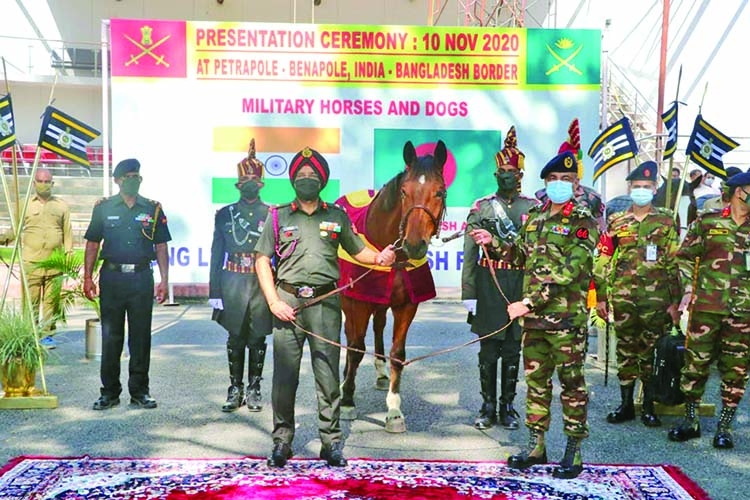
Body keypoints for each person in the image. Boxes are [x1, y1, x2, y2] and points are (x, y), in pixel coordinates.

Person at [255, 147, 396, 468]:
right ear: (293, 179)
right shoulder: (277, 216)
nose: (307, 180)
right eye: (301, 176)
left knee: (328, 376)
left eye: (312, 176)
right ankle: (281, 441)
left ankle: (330, 442)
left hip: (325, 304)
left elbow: (358, 250)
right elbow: (262, 260)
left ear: (322, 181)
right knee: (284, 377)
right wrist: (273, 301)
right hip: (287, 304)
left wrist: (380, 257)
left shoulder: (336, 215)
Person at [505, 150, 601, 480]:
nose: (559, 184)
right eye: (554, 180)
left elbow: (571, 272)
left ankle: (573, 452)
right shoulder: (535, 216)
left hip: (565, 321)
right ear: (546, 183)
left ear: (576, 184)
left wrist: (529, 303)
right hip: (534, 323)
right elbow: (520, 253)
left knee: (572, 386)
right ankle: (536, 446)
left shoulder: (583, 221)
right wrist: (492, 243)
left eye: (567, 180)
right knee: (535, 383)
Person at [461, 126, 538, 431]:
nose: (506, 175)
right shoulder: (481, 207)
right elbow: (469, 251)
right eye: (501, 170)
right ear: (496, 174)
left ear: (520, 174)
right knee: (489, 348)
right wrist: (468, 291)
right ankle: (487, 405)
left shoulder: (534, 208)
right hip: (489, 283)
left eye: (512, 170)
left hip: (520, 282)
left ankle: (508, 405)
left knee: (512, 348)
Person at [595, 161, 681, 428]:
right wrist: (600, 297)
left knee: (652, 352)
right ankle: (625, 404)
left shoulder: (666, 219)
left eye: (646, 187)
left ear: (654, 189)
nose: (641, 190)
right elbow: (603, 259)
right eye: (637, 187)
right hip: (623, 298)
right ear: (629, 189)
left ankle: (648, 405)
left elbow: (675, 262)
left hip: (656, 301)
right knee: (626, 350)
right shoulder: (617, 221)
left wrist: (676, 302)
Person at [667, 169, 750, 449]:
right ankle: (690, 421)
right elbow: (684, 258)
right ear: (741, 191)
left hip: (744, 313)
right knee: (695, 365)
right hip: (706, 307)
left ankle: (724, 427)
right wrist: (688, 289)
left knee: (735, 369)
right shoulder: (708, 221)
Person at [83, 158, 171, 411]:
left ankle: (140, 392)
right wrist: (88, 277)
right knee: (111, 337)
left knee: (140, 337)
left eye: (137, 176)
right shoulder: (104, 207)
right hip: (112, 279)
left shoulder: (152, 208)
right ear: (118, 180)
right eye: (129, 176)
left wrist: (164, 280)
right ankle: (109, 393)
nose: (134, 180)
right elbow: (92, 243)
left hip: (142, 278)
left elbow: (161, 246)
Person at [209, 139, 272, 413]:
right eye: (244, 181)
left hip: (260, 283)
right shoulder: (224, 214)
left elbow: (278, 256)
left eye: (253, 181)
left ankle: (255, 388)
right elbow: (216, 253)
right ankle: (235, 388)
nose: (249, 185)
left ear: (260, 185)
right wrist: (214, 292)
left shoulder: (272, 214)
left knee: (257, 337)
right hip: (232, 281)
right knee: (235, 337)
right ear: (239, 185)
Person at [2, 168, 73, 348]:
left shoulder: (61, 206)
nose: (43, 184)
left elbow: (68, 234)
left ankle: (47, 335)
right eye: (40, 181)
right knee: (30, 302)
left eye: (47, 181)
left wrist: (68, 257)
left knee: (51, 302)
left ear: (52, 183)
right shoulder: (24, 204)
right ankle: (31, 334)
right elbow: (15, 230)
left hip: (54, 263)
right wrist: (3, 238)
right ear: (34, 184)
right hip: (31, 262)